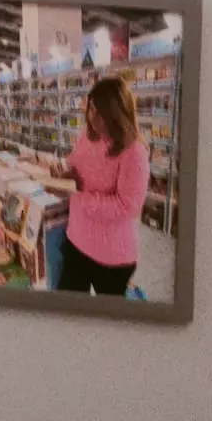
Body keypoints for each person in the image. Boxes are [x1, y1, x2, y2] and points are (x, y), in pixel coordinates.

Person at [54, 75, 149, 296]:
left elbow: (128, 207)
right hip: (76, 240)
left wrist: (77, 198)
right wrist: (64, 172)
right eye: (91, 109)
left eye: (100, 112)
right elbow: (74, 163)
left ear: (117, 114)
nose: (92, 117)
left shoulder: (134, 152)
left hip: (111, 257)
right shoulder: (87, 136)